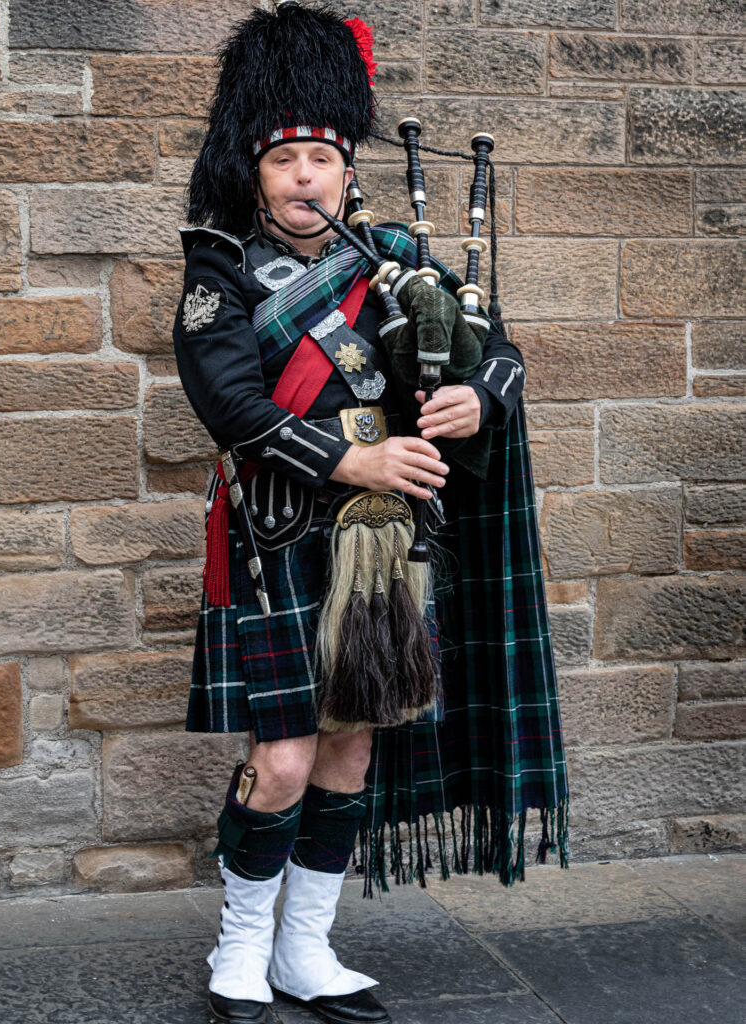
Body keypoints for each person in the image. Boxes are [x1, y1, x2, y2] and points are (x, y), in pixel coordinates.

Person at [172, 5, 568, 1024]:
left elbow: (504, 353)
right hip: (273, 544)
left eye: (323, 157)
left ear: (351, 171)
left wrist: (478, 398)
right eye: (286, 158)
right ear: (254, 172)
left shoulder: (393, 254)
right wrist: (360, 457)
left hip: (379, 550)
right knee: (286, 757)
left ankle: (308, 947)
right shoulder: (219, 267)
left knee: (351, 747)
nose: (306, 175)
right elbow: (232, 408)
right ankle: (241, 946)